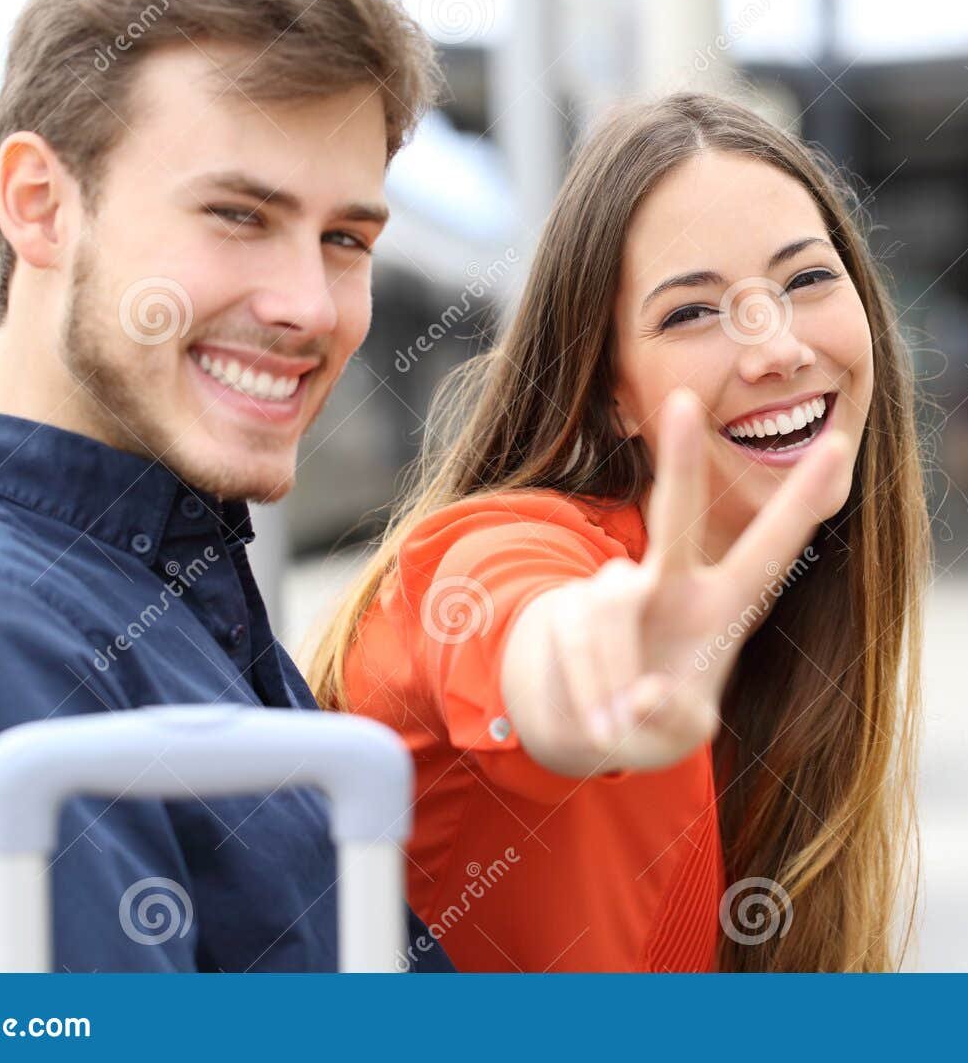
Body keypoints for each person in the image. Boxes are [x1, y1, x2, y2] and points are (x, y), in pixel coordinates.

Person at [0, 0, 453, 972]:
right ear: (39, 204)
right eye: (238, 215)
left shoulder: (154, 596)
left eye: (344, 238)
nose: (308, 304)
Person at [304, 93, 931, 972]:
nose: (776, 348)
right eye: (691, 312)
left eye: (806, 279)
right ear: (609, 391)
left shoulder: (799, 641)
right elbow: (529, 626)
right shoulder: (487, 552)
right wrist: (596, 668)